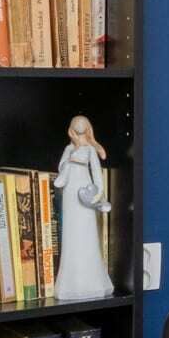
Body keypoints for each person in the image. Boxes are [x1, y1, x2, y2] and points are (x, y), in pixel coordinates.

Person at [52, 115, 115, 301]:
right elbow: (61, 167)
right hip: (71, 192)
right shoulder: (69, 149)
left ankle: (94, 281)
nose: (80, 134)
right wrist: (72, 156)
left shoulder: (90, 150)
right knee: (72, 234)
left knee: (87, 234)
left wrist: (99, 194)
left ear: (88, 131)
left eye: (83, 131)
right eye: (77, 131)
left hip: (85, 190)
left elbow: (96, 172)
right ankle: (70, 282)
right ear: (71, 131)